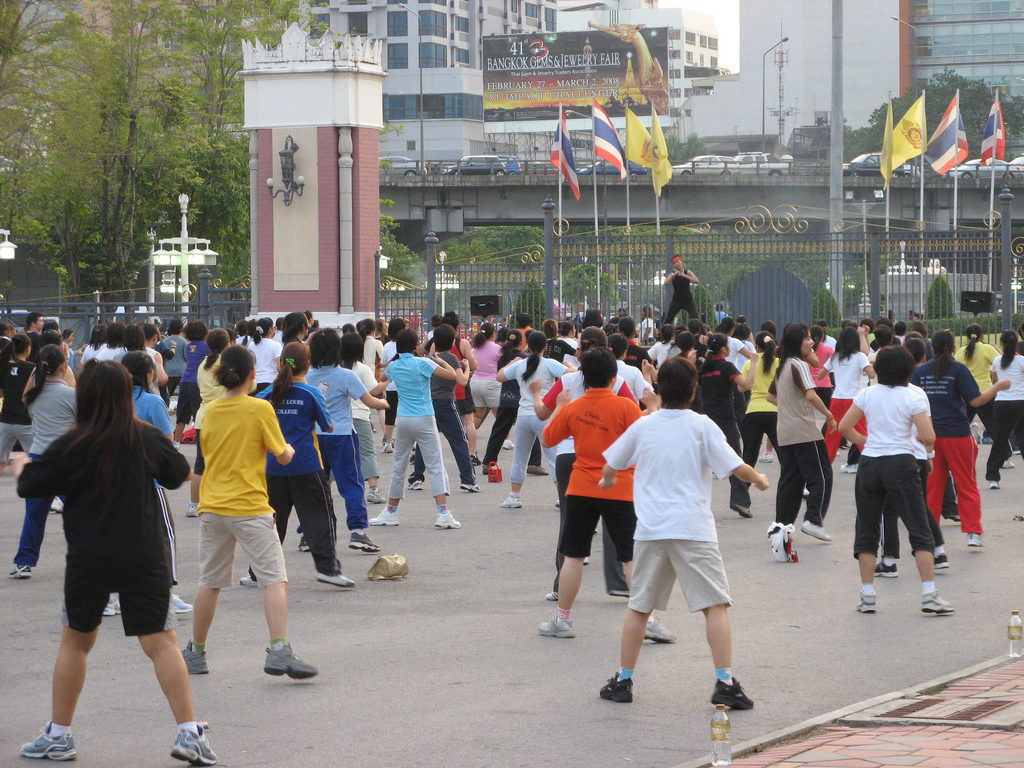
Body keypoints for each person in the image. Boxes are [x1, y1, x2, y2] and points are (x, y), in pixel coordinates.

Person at [15, 360, 216, 764]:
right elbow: (177, 472)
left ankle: (59, 734)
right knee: (162, 642)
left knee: (76, 641)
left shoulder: (72, 442)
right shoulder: (142, 436)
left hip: (88, 557)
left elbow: (31, 486)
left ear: (84, 397)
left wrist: (24, 465)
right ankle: (189, 732)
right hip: (143, 553)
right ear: (127, 395)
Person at [598, 356, 768, 706]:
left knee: (639, 607)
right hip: (693, 528)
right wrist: (760, 479)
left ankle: (623, 681)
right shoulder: (702, 425)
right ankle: (725, 683)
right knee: (715, 605)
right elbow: (736, 466)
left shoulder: (644, 426)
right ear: (694, 391)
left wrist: (608, 478)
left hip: (651, 528)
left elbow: (612, 464)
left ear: (659, 388)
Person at [181, 345, 318, 680]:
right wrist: (289, 447)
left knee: (210, 583)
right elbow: (282, 455)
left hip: (213, 505)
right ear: (253, 374)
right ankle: (278, 648)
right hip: (250, 506)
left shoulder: (210, 411)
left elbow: (209, 454)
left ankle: (196, 652)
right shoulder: (260, 409)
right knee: (274, 579)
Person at [839, 346, 953, 616]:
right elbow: (927, 435)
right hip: (900, 462)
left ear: (878, 370)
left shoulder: (867, 394)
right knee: (918, 526)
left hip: (870, 463)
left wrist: (864, 441)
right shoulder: (912, 396)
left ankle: (867, 595)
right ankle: (928, 594)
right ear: (908, 369)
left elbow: (844, 427)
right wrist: (929, 451)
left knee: (866, 529)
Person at [538, 347, 641, 638]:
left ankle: (563, 619)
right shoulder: (626, 407)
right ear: (613, 377)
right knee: (630, 556)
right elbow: (643, 441)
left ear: (582, 376)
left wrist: (560, 406)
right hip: (620, 486)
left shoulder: (573, 407)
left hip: (582, 486)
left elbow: (548, 439)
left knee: (573, 554)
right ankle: (648, 619)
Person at [251, 341, 360, 588]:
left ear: (280, 364)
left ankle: (257, 571)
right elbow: (328, 426)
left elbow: (252, 415)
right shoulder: (310, 393)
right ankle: (328, 569)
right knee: (320, 517)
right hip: (306, 466)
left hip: (272, 467)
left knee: (271, 521)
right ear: (307, 366)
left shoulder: (266, 395)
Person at [910, 330, 1007, 547]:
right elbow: (976, 401)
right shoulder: (959, 370)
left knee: (933, 487)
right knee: (966, 483)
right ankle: (972, 531)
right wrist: (998, 387)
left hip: (929, 436)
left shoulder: (921, 373)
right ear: (954, 348)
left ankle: (929, 534)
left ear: (931, 350)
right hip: (957, 434)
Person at [369, 328, 466, 529]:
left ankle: (391, 512)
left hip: (403, 419)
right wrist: (439, 360)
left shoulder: (394, 367)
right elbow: (452, 376)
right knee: (436, 464)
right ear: (415, 346)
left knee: (399, 465)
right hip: (424, 417)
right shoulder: (423, 363)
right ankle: (443, 513)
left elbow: (382, 385)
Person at [306, 330, 389, 551]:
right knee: (351, 483)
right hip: (342, 435)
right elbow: (369, 400)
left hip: (314, 437)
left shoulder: (308, 376)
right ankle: (358, 532)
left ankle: (308, 533)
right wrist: (383, 405)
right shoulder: (345, 375)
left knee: (316, 486)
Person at [9, 345, 76, 579]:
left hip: (39, 458)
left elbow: (26, 393)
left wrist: (37, 371)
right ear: (64, 366)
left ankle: (24, 562)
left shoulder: (32, 397)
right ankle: (82, 557)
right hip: (67, 459)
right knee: (78, 512)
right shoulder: (71, 395)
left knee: (34, 514)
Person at [769, 323, 835, 542]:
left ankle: (781, 527)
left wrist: (789, 405)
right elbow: (811, 395)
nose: (812, 342)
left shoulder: (784, 365)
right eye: (807, 339)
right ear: (798, 342)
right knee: (822, 475)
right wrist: (829, 415)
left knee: (791, 480)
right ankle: (814, 519)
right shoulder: (799, 365)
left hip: (785, 430)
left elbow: (771, 396)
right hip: (804, 430)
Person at [497, 330, 568, 508]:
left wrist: (512, 362)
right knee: (553, 457)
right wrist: (568, 365)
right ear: (546, 346)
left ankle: (514, 496)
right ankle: (561, 495)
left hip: (523, 415)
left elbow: (500, 376)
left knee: (520, 457)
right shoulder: (550, 364)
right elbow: (571, 375)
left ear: (527, 345)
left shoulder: (520, 365)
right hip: (544, 414)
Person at [408, 324, 479, 493]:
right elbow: (462, 381)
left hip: (428, 402)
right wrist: (467, 366)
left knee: (424, 441)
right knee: (460, 441)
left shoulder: (430, 358)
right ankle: (468, 479)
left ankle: (416, 477)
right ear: (453, 342)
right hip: (446, 402)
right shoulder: (451, 358)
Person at [700, 334, 755, 517]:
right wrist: (754, 362)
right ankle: (740, 500)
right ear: (724, 349)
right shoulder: (727, 367)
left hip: (706, 418)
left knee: (701, 460)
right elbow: (746, 385)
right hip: (725, 418)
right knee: (734, 458)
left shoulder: (704, 368)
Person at [183, 328, 230, 518]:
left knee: (201, 464)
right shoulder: (227, 364)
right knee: (226, 461)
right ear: (228, 344)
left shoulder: (204, 364)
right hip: (224, 418)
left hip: (204, 417)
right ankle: (222, 500)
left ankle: (193, 504)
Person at [738, 330, 779, 512]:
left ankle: (741, 499)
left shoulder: (749, 363)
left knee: (749, 457)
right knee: (786, 456)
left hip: (753, 410)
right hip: (775, 411)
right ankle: (796, 489)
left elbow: (742, 387)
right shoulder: (779, 363)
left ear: (757, 347)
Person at [823, 326, 874, 469]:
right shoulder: (859, 357)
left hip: (837, 399)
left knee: (832, 434)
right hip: (854, 401)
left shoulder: (835, 357)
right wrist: (872, 366)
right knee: (861, 431)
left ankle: (825, 465)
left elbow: (822, 373)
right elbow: (872, 374)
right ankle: (871, 461)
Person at [984, 330, 1024, 490]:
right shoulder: (1022, 361)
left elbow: (995, 379)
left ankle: (993, 477)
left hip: (1001, 403)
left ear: (1001, 344)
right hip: (1020, 402)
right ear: (1016, 344)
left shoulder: (997, 360)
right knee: (1022, 440)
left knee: (1000, 440)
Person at [0, 333, 34, 476]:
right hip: (25, 421)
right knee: (37, 461)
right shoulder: (33, 369)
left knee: (1, 461)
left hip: (5, 421)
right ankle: (44, 495)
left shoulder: (3, 366)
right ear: (28, 349)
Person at [172, 320, 209, 447]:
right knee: (198, 415)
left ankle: (176, 443)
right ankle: (201, 444)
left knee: (181, 415)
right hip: (197, 383)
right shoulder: (206, 346)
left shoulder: (188, 347)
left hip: (185, 381)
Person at [471, 322, 503, 429]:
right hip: (492, 383)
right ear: (493, 334)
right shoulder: (498, 349)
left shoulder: (475, 349)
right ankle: (505, 440)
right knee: (499, 415)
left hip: (475, 383)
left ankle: (467, 437)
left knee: (478, 415)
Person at [240, 317, 282, 393]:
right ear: (270, 329)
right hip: (270, 382)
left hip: (254, 383)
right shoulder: (276, 345)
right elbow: (279, 367)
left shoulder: (251, 345)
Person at [663, 256, 700, 325]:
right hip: (676, 300)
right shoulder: (672, 274)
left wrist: (685, 276)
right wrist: (674, 275)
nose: (676, 264)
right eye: (674, 263)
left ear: (681, 262)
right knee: (668, 319)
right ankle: (661, 335)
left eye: (678, 262)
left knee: (696, 318)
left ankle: (704, 334)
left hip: (688, 299)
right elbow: (665, 283)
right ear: (673, 265)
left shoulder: (687, 272)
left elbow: (697, 281)